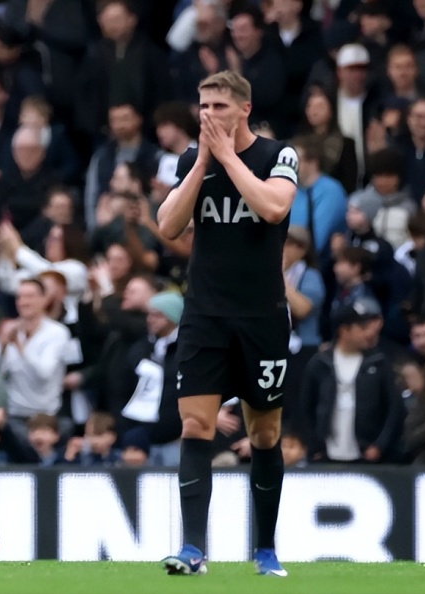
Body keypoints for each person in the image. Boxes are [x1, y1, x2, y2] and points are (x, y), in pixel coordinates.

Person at [156, 71, 298, 577]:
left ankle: (266, 549)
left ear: (244, 108)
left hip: (262, 316)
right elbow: (168, 225)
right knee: (195, 424)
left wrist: (228, 158)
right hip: (205, 315)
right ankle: (193, 548)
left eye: (218, 106)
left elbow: (274, 207)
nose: (209, 115)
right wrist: (202, 162)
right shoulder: (191, 160)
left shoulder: (278, 155)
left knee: (264, 431)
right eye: (203, 106)